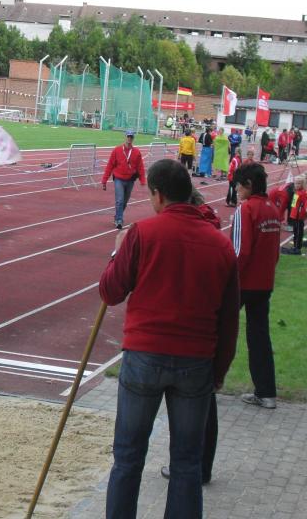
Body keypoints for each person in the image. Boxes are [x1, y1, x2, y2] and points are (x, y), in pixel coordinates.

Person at [100, 159, 240, 519]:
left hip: (144, 357)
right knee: (187, 463)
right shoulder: (220, 244)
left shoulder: (142, 233)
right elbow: (229, 320)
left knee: (128, 458)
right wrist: (219, 371)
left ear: (159, 195)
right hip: (196, 362)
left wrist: (117, 251)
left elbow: (110, 292)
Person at [160, 187, 222, 486]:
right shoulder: (213, 228)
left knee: (185, 409)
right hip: (206, 330)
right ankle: (202, 467)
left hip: (186, 330)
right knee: (205, 405)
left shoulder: (195, 231)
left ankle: (186, 466)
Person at [232, 162, 281, 409]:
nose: (236, 189)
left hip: (243, 283)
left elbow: (240, 251)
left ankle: (207, 383)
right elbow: (275, 252)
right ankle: (266, 393)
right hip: (265, 283)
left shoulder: (246, 209)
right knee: (260, 336)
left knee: (219, 331)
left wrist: (228, 279)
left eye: (238, 185)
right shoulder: (273, 208)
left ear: (249, 185)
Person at [101, 131, 146, 230]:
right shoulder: (117, 150)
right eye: (128, 136)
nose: (129, 138)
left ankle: (117, 216)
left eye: (131, 137)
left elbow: (140, 167)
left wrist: (142, 180)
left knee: (125, 201)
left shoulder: (136, 152)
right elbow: (110, 165)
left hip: (130, 180)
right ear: (125, 137)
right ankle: (119, 220)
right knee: (120, 200)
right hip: (119, 179)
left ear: (133, 138)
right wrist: (104, 180)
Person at [282, 175, 307, 255]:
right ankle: (295, 247)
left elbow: (305, 204)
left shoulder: (303, 193)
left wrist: (302, 214)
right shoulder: (296, 192)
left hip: (299, 216)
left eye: (299, 183)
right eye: (296, 183)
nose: (296, 185)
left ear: (302, 184)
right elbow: (293, 204)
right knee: (295, 231)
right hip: (294, 215)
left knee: (299, 232)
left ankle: (297, 248)